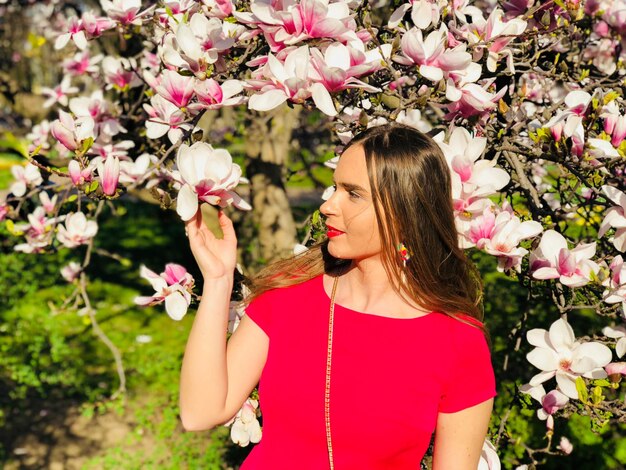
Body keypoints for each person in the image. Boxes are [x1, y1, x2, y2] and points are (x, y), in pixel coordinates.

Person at [179, 123, 497, 469]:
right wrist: (218, 279)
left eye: (353, 193)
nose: (328, 205)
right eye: (334, 188)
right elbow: (201, 411)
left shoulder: (457, 342)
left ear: (404, 211)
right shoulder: (287, 298)